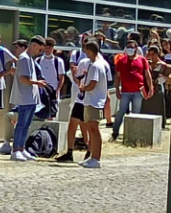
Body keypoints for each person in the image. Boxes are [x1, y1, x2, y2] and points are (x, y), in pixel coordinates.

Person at [56, 39, 94, 163]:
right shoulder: (82, 61)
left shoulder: (99, 63)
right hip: (80, 98)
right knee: (72, 124)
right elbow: (76, 78)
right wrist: (78, 80)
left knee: (91, 127)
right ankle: (69, 152)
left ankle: (90, 152)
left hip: (91, 100)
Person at [12, 36, 45, 162]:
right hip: (25, 98)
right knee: (21, 124)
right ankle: (16, 150)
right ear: (34, 45)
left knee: (26, 125)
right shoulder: (24, 58)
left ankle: (21, 148)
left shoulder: (30, 58)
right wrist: (37, 83)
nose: (40, 52)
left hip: (31, 98)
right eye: (40, 49)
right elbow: (23, 78)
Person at [111, 40, 152, 141]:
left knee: (136, 113)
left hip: (138, 91)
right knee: (121, 111)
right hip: (125, 91)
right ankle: (115, 132)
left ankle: (133, 134)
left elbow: (147, 75)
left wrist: (150, 88)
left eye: (132, 47)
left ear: (136, 49)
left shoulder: (142, 60)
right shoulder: (121, 61)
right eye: (128, 47)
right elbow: (117, 76)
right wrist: (117, 90)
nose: (130, 49)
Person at [79, 41, 108, 169]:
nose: (85, 53)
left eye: (86, 50)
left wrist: (83, 87)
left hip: (94, 102)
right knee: (91, 130)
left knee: (94, 130)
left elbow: (92, 84)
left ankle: (96, 158)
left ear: (90, 51)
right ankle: (92, 157)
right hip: (91, 101)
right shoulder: (95, 65)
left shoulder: (96, 66)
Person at [144, 45, 171, 129]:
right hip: (148, 87)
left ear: (157, 54)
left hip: (158, 87)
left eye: (153, 54)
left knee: (158, 106)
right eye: (150, 54)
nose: (151, 56)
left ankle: (159, 124)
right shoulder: (147, 63)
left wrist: (162, 76)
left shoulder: (163, 65)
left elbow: (169, 78)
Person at [37, 37, 65, 120]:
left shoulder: (58, 61)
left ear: (53, 48)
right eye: (46, 48)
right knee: (39, 113)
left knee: (52, 114)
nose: (47, 50)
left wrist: (58, 90)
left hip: (53, 91)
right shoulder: (38, 60)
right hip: (41, 91)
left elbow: (61, 77)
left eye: (49, 48)